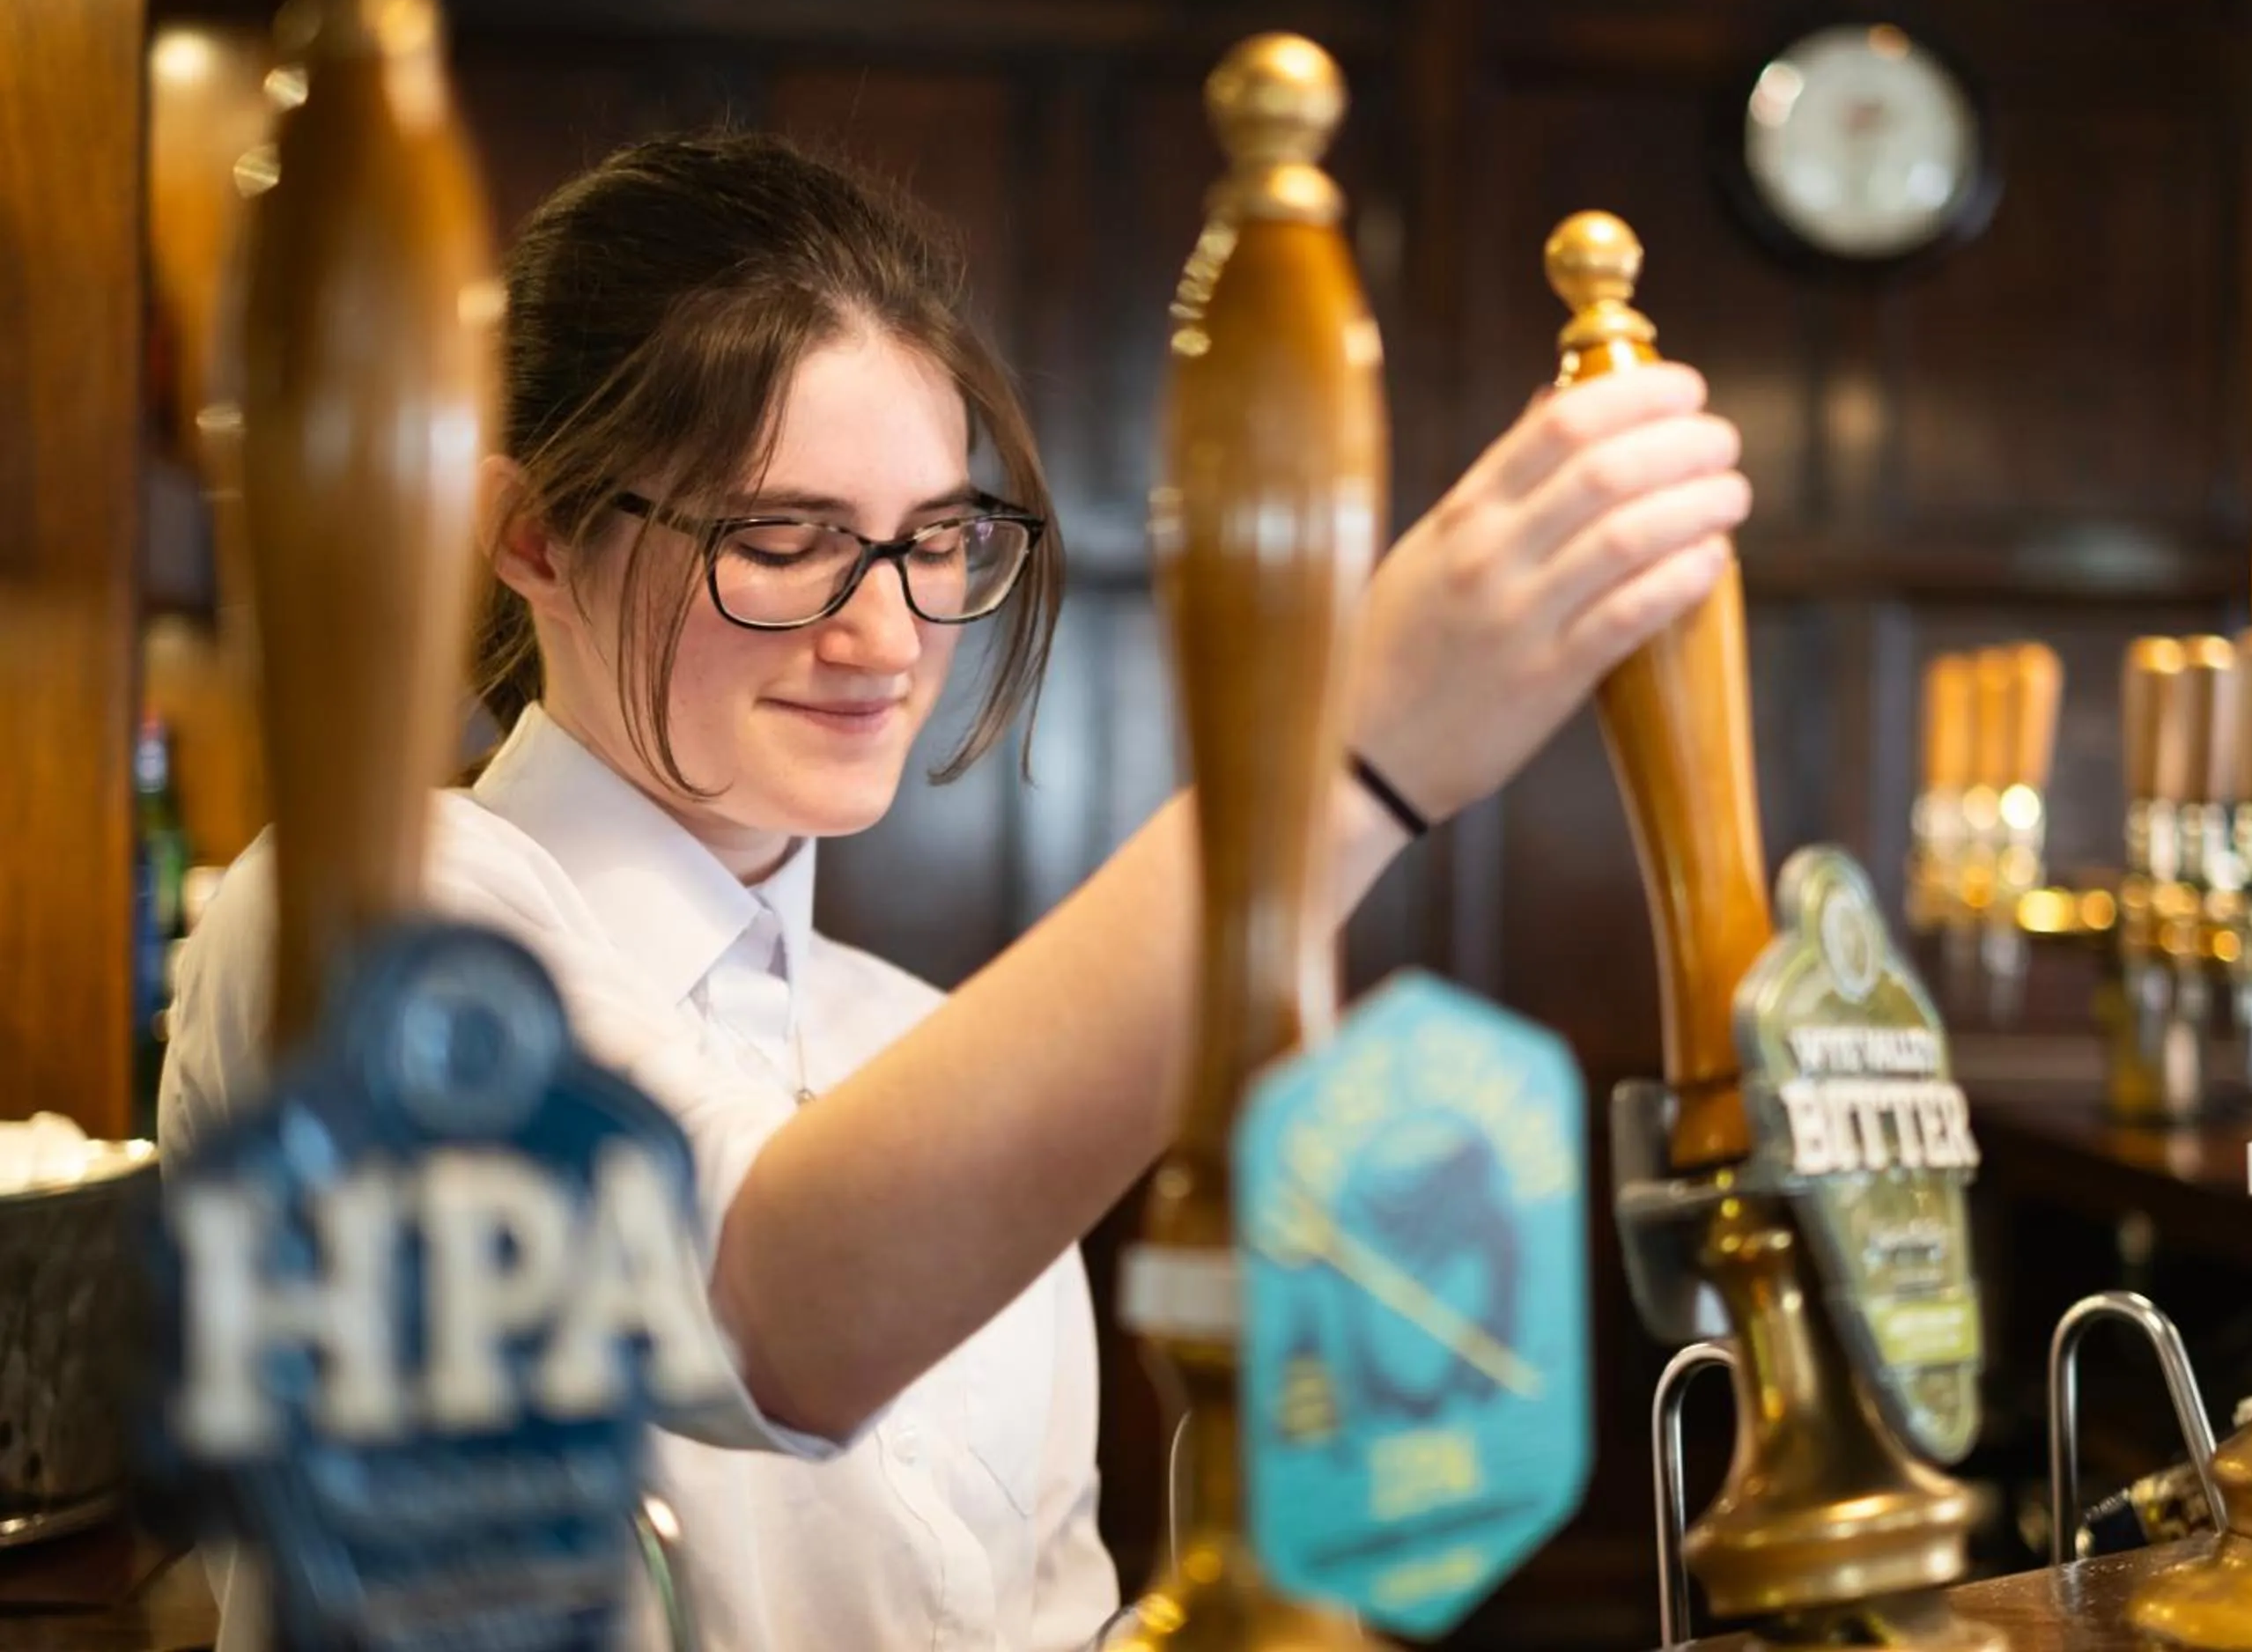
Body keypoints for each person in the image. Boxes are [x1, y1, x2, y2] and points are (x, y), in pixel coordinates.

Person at [159, 131, 1751, 1651]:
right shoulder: (356, 920)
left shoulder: (925, 1062)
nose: (890, 638)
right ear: (532, 537)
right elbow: (767, 1304)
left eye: (937, 540)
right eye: (782, 540)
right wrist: (1343, 763)